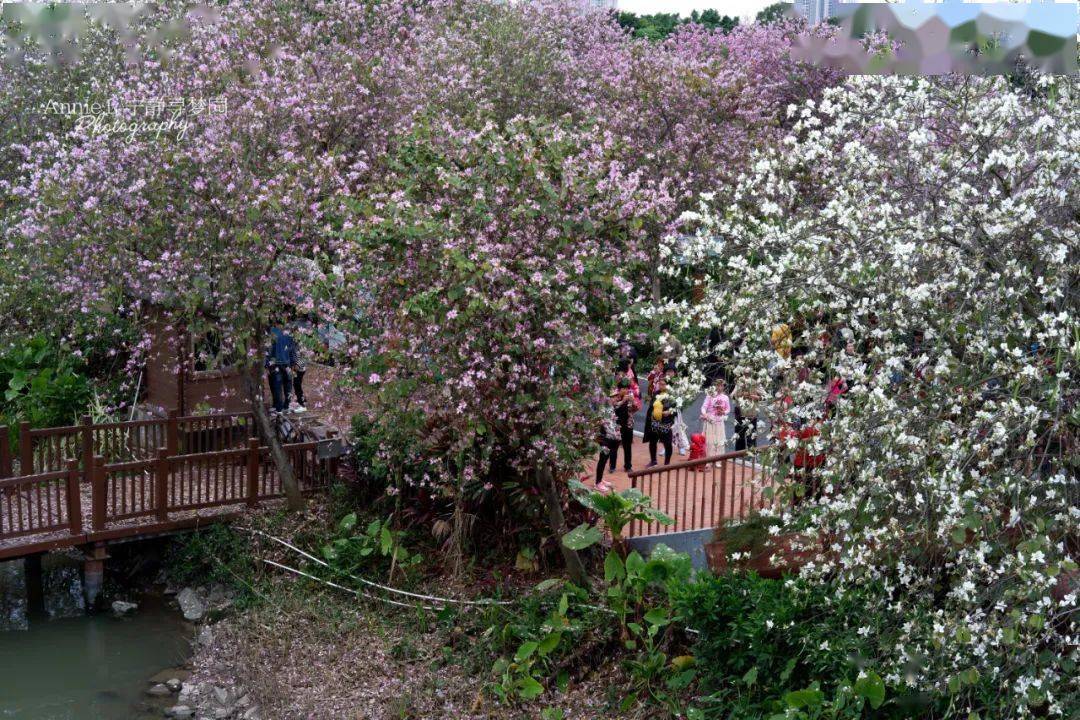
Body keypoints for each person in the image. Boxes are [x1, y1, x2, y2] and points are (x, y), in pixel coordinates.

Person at [266, 327, 296, 413]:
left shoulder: (272, 332)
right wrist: (293, 363)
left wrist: (267, 364)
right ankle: (287, 406)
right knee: (288, 385)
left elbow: (268, 350)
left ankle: (278, 408)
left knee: (277, 387)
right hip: (287, 363)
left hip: (275, 364)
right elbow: (292, 349)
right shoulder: (288, 332)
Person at [612, 377, 638, 472]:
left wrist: (633, 402)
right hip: (617, 425)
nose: (625, 390)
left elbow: (635, 410)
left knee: (628, 446)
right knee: (614, 446)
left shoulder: (630, 397)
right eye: (623, 389)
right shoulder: (615, 397)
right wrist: (622, 401)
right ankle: (612, 466)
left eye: (627, 388)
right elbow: (613, 408)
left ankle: (628, 466)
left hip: (628, 424)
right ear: (619, 389)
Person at [701, 380, 731, 459]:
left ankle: (718, 459)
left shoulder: (725, 397)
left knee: (720, 441)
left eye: (721, 386)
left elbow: (728, 409)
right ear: (715, 386)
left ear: (724, 387)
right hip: (710, 420)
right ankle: (708, 458)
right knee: (709, 441)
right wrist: (705, 414)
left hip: (719, 421)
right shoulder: (710, 395)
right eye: (718, 385)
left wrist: (723, 412)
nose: (719, 387)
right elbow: (704, 407)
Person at [646, 390, 676, 468]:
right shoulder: (656, 393)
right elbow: (651, 405)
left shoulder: (672, 395)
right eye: (660, 384)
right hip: (655, 422)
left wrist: (670, 412)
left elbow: (677, 409)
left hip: (666, 423)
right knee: (652, 442)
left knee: (668, 443)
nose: (661, 386)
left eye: (663, 384)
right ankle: (653, 461)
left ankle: (667, 463)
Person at [595, 401, 621, 486]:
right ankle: (598, 483)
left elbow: (613, 422)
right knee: (602, 460)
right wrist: (614, 434)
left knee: (605, 460)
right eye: (613, 397)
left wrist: (617, 432)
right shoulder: (602, 409)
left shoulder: (611, 407)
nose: (616, 398)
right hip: (604, 438)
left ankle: (601, 479)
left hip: (611, 438)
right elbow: (603, 424)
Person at [292, 341, 308, 412]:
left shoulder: (301, 344)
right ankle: (302, 399)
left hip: (300, 369)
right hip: (296, 369)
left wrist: (298, 365)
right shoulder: (294, 343)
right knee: (296, 385)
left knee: (297, 385)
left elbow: (305, 358)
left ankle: (302, 404)